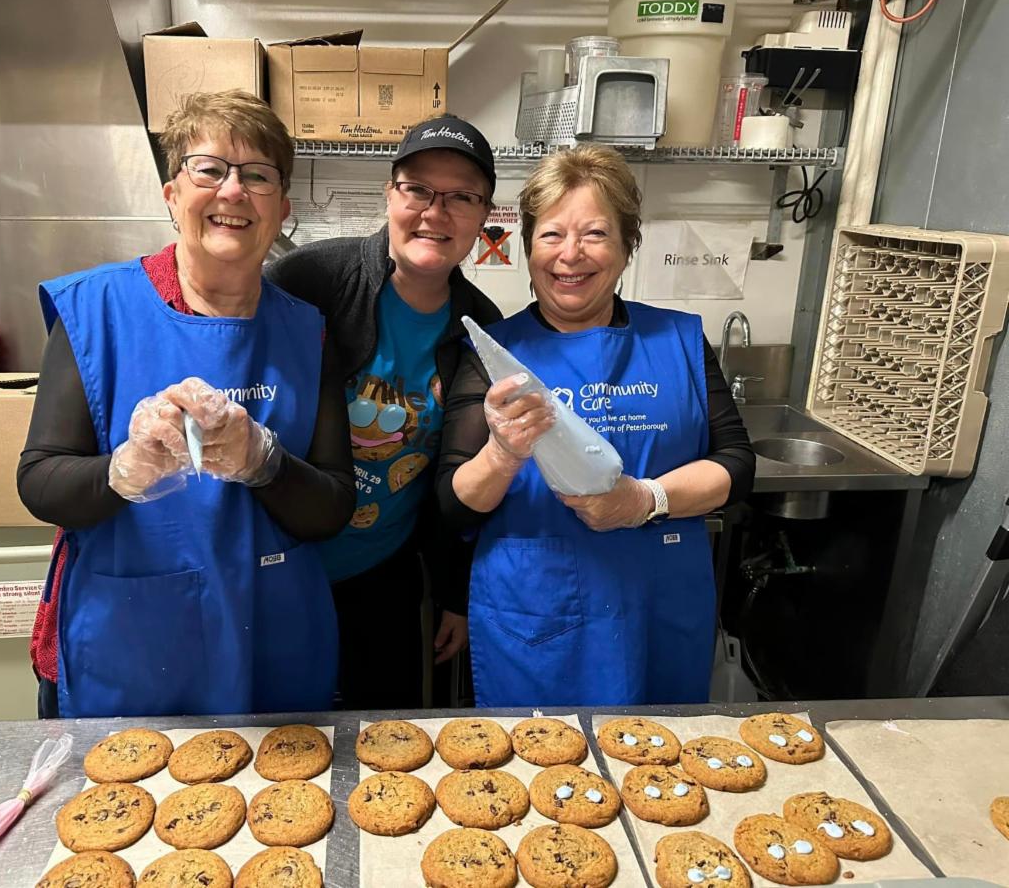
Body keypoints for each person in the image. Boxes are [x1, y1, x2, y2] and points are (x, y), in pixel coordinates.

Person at [17, 90, 354, 718]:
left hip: (273, 633)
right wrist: (123, 470)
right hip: (137, 637)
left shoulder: (308, 333)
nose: (233, 192)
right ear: (172, 195)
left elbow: (333, 507)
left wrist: (263, 461)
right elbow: (39, 481)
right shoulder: (96, 312)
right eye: (209, 169)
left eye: (258, 176)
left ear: (282, 209)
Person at [436, 144, 755, 707]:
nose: (571, 255)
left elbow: (736, 463)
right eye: (552, 234)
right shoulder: (494, 354)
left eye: (596, 234)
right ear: (529, 247)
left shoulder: (679, 340)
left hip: (659, 604)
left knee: (657, 777)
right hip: (539, 617)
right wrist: (503, 454)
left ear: (628, 246)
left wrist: (644, 499)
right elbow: (453, 504)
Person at [265, 116, 503, 709]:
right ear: (391, 195)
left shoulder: (479, 326)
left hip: (384, 571)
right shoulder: (311, 279)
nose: (435, 211)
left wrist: (454, 593)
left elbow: (457, 477)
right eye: (418, 189)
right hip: (280, 566)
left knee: (385, 751)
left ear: (483, 216)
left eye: (461, 197)